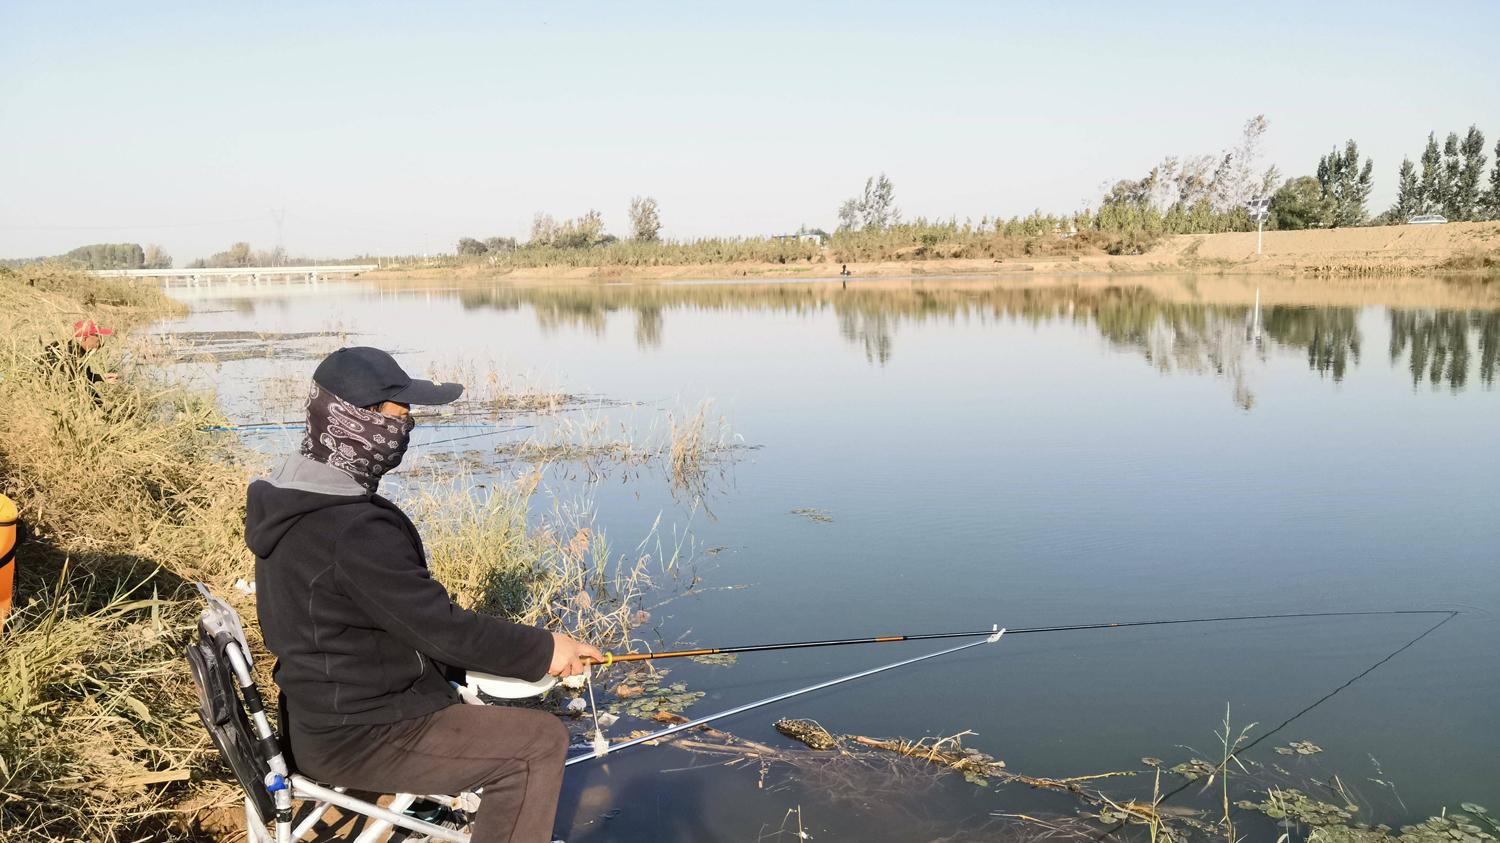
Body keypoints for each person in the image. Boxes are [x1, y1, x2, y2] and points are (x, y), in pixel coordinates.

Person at [245, 346, 601, 843]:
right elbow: (440, 629)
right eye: (398, 414)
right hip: (358, 733)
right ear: (357, 419)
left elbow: (404, 621)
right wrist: (546, 650)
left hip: (325, 714)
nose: (406, 427)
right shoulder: (350, 529)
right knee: (538, 743)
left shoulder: (294, 497)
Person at [44, 319, 120, 385]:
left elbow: (83, 376)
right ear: (85, 338)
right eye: (98, 338)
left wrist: (102, 377)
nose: (101, 342)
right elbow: (74, 382)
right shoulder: (70, 354)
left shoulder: (78, 350)